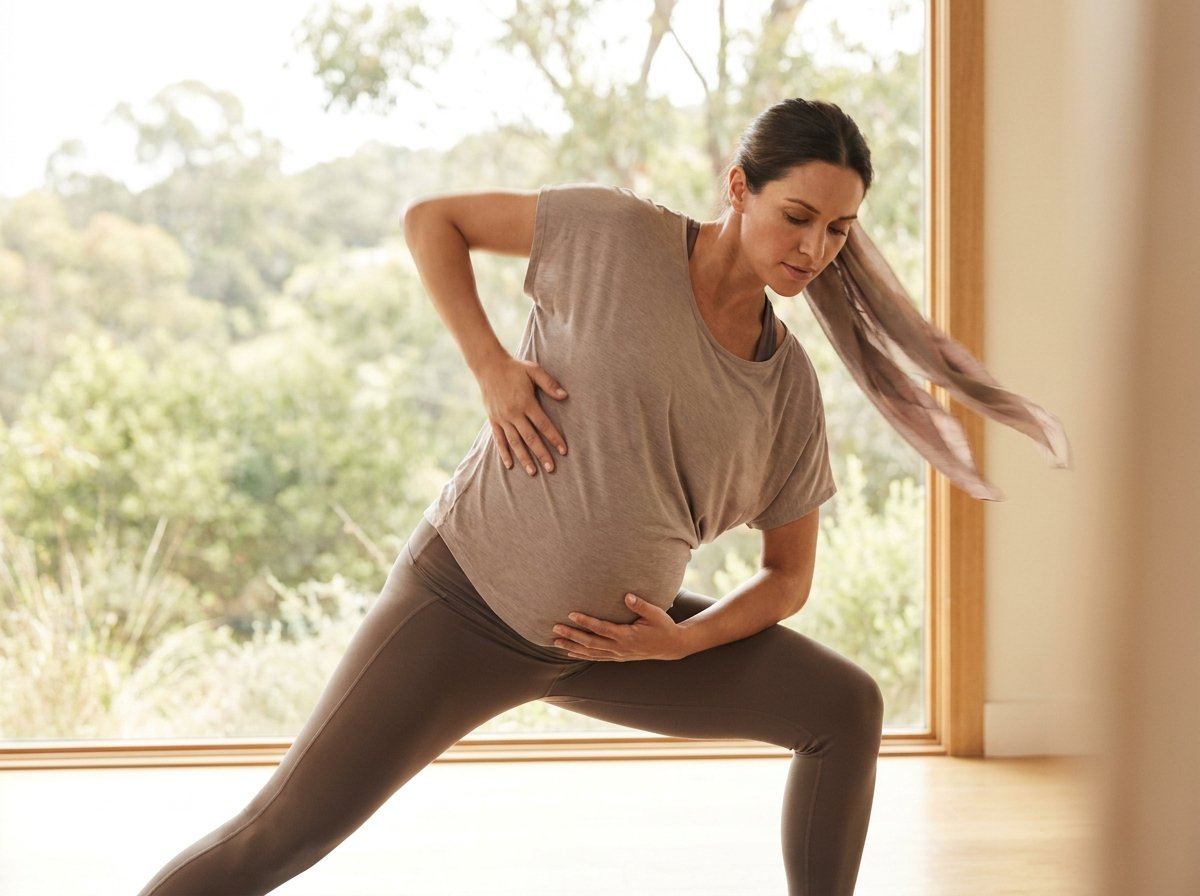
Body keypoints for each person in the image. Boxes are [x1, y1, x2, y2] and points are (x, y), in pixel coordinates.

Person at [136, 98, 892, 896]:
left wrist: (681, 644)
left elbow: (787, 578)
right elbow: (435, 221)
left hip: (615, 646)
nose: (814, 248)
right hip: (464, 608)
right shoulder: (616, 235)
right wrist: (491, 366)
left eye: (838, 230)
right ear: (740, 188)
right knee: (273, 839)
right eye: (797, 216)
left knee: (845, 710)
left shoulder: (789, 388)